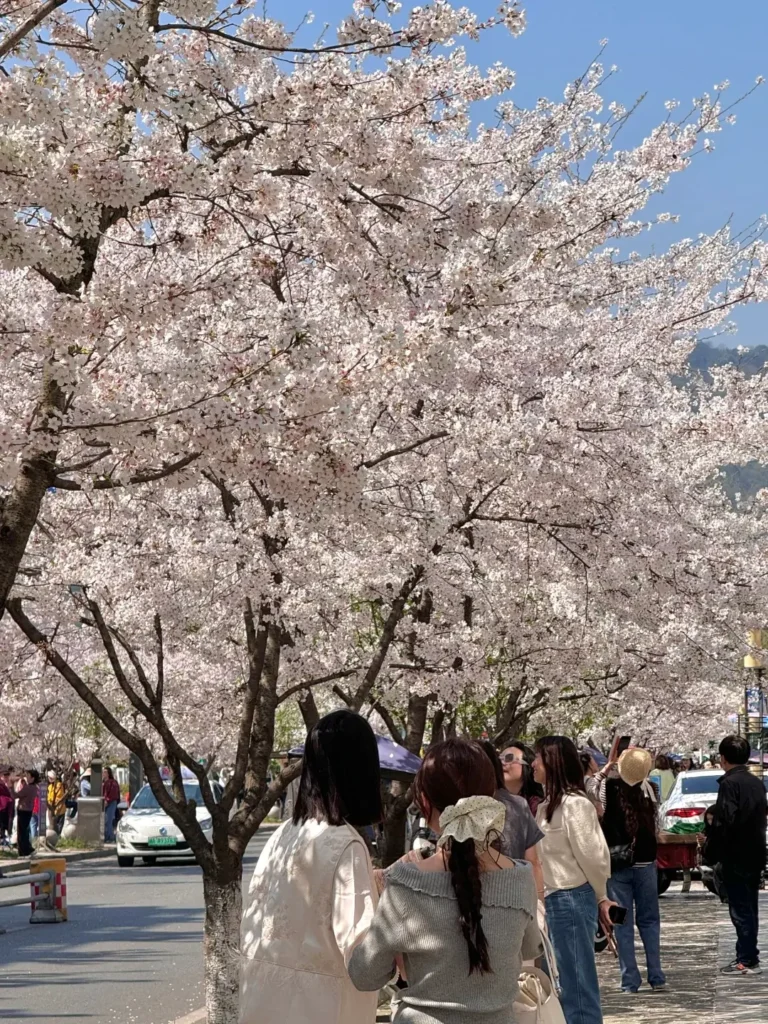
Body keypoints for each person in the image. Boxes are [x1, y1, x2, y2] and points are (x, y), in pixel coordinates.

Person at [348, 739, 541, 1023]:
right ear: (490, 799)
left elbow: (365, 975)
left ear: (425, 802)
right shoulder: (520, 878)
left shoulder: (406, 884)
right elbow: (528, 948)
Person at [240, 710, 383, 1024]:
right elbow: (365, 962)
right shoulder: (345, 845)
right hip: (323, 1009)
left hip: (264, 1005)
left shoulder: (282, 835)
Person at [533, 736, 615, 1024]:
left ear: (552, 762)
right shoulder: (547, 806)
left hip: (570, 896)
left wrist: (601, 896)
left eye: (538, 758)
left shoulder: (575, 805)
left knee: (577, 985)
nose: (533, 764)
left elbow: (594, 856)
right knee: (561, 983)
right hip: (553, 900)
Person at [601, 748, 666, 994]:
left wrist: (605, 769)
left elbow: (590, 789)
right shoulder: (651, 789)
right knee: (650, 921)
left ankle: (629, 980)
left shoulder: (608, 789)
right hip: (646, 864)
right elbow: (656, 823)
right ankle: (656, 976)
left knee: (621, 924)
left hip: (617, 866)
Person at [704, 734, 767, 976]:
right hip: (755, 852)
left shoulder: (729, 785)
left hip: (735, 854)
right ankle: (749, 955)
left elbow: (724, 822)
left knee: (740, 909)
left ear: (723, 757)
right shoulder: (756, 783)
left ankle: (747, 959)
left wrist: (711, 850)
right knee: (749, 906)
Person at [481, 741, 545, 898]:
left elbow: (534, 861)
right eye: (499, 757)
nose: (502, 761)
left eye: (509, 758)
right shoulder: (479, 802)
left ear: (527, 768)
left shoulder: (536, 806)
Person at [499, 741, 544, 815]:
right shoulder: (489, 800)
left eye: (509, 758)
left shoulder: (539, 807)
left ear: (528, 766)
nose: (502, 763)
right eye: (499, 759)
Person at [15, 770, 40, 857]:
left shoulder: (28, 788)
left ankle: (25, 850)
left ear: (33, 778)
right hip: (28, 811)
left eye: (28, 776)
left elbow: (16, 795)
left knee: (22, 832)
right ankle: (25, 849)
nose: (27, 778)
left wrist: (10, 787)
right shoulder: (34, 788)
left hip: (23, 810)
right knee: (25, 830)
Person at [103, 767, 120, 842]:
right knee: (105, 820)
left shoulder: (113, 782)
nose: (104, 773)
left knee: (108, 820)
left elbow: (113, 794)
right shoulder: (104, 782)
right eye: (103, 772)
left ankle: (110, 837)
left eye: (105, 772)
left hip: (111, 802)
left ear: (109, 773)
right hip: (105, 802)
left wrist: (107, 801)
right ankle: (107, 836)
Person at [0, 769, 13, 847]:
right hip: (2, 807)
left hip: (8, 807)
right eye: (4, 776)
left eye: (7, 776)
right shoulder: (1, 785)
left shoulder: (8, 785)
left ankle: (5, 838)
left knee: (6, 823)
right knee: (2, 823)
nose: (6, 778)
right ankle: (2, 838)